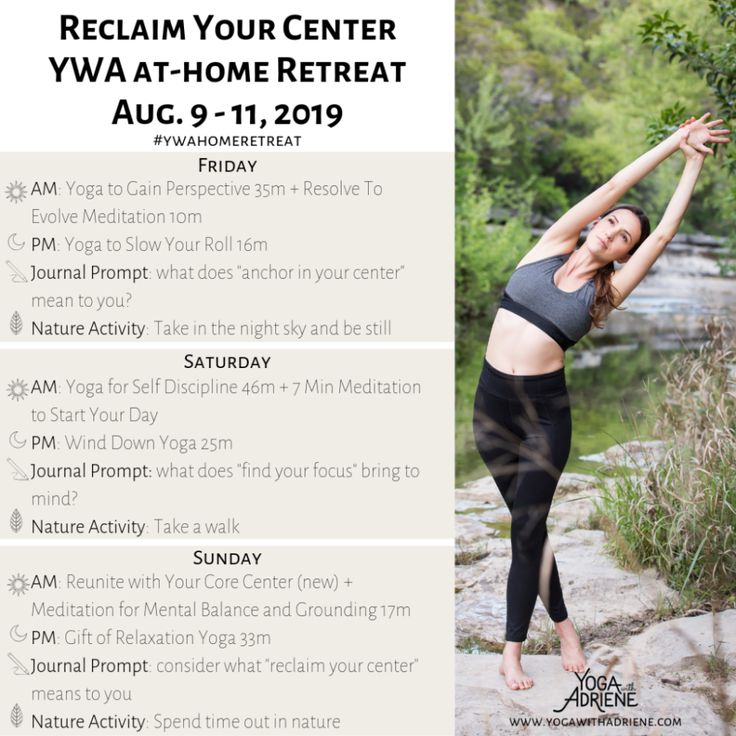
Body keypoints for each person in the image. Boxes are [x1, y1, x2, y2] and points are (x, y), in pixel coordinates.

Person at [472, 113, 730, 691]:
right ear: (594, 225)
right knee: (528, 529)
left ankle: (511, 652)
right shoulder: (549, 247)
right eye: (610, 224)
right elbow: (615, 187)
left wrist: (692, 166)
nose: (612, 231)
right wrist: (673, 141)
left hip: (544, 419)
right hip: (490, 408)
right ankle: (565, 629)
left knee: (525, 528)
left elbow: (661, 235)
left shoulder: (605, 293)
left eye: (623, 238)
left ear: (622, 254)